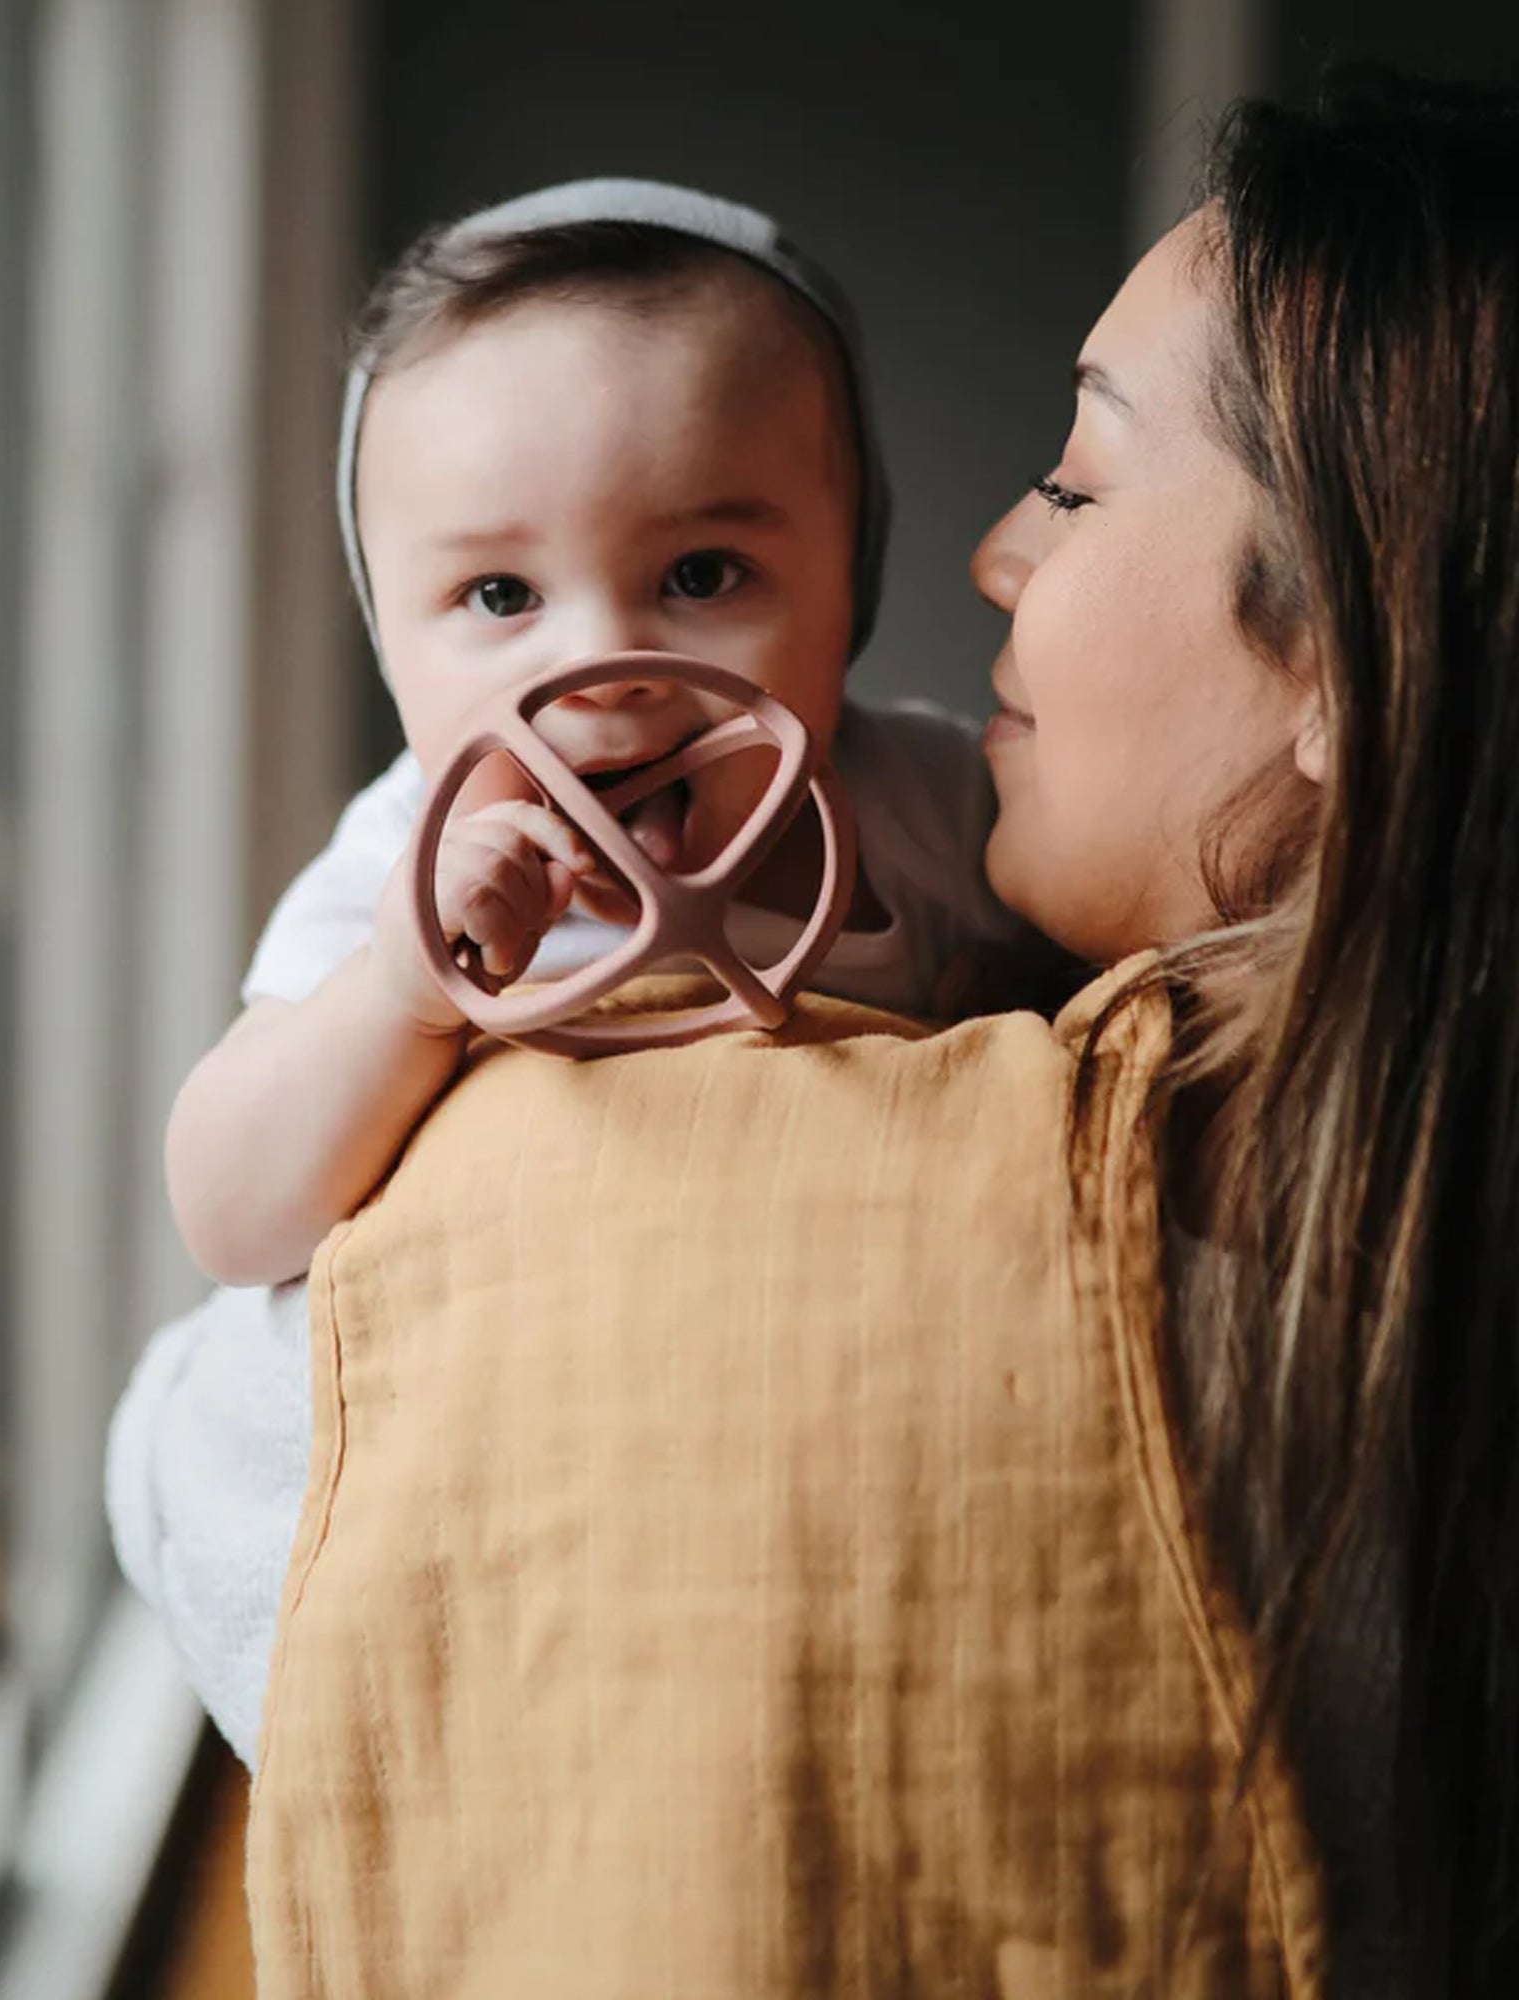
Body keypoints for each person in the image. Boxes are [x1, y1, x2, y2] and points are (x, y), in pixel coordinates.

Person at [111, 180, 1022, 1761]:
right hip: (541, 1496)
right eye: (499, 599)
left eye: (701, 576)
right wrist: (404, 988)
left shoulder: (926, 803)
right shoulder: (409, 866)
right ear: (389, 641)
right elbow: (230, 1208)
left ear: (850, 582)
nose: (600, 680)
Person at [970, 68, 1519, 1997]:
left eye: (1078, 479)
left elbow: (188, 1462)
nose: (995, 554)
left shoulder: (1042, 1247)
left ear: (1352, 669)